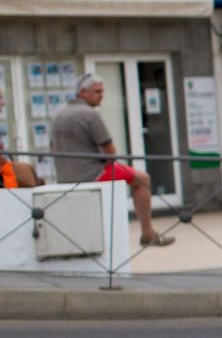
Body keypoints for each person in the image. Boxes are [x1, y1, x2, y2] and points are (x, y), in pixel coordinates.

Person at [51, 75, 173, 246]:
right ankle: (148, 234)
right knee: (142, 179)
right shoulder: (90, 114)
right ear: (83, 92)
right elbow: (110, 151)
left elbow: (53, 149)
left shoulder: (59, 114)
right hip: (92, 174)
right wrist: (107, 161)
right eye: (97, 92)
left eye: (102, 92)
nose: (101, 96)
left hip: (64, 176)